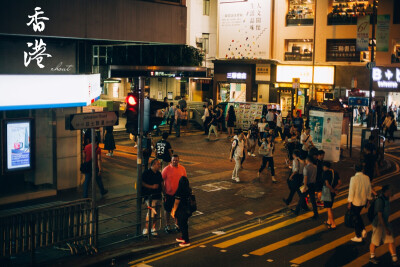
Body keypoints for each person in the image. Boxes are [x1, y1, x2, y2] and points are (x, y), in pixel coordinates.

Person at [369, 185, 398, 265]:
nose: (391, 192)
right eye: (390, 190)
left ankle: (394, 258)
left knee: (391, 240)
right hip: (378, 223)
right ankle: (372, 257)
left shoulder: (386, 198)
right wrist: (386, 229)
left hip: (385, 222)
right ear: (386, 191)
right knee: (375, 241)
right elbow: (379, 216)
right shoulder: (380, 201)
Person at [162, 154, 187, 233]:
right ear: (171, 161)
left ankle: (177, 224)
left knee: (178, 210)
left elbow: (185, 180)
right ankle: (167, 225)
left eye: (176, 160)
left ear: (178, 161)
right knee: (168, 210)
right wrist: (164, 192)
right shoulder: (166, 169)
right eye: (174, 160)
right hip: (169, 194)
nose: (175, 162)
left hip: (179, 195)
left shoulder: (182, 168)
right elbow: (161, 181)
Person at [347, 164, 373, 242]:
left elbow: (351, 191)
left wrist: (349, 202)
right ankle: (363, 230)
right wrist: (368, 200)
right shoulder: (367, 177)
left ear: (355, 169)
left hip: (356, 202)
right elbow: (369, 189)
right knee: (357, 216)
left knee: (356, 219)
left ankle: (358, 236)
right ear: (362, 169)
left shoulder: (353, 179)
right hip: (363, 201)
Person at [141, 159, 163, 236]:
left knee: (156, 213)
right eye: (158, 164)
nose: (159, 166)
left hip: (158, 196)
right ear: (153, 164)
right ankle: (146, 228)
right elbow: (141, 183)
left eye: (160, 164)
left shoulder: (159, 174)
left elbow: (161, 183)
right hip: (150, 196)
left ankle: (153, 228)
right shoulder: (146, 173)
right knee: (150, 213)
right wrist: (151, 186)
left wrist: (163, 192)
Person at [294, 156, 319, 220]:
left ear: (307, 160)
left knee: (302, 198)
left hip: (307, 185)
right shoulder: (315, 167)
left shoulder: (306, 168)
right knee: (313, 200)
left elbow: (305, 178)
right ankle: (316, 214)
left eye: (306, 161)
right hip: (313, 185)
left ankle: (296, 211)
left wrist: (305, 186)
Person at [171, 176, 192, 247]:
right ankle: (183, 237)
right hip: (187, 210)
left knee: (182, 225)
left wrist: (173, 211)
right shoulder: (189, 189)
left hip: (181, 210)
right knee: (184, 225)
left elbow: (176, 202)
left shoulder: (179, 191)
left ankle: (186, 241)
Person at [322, 161, 341, 229]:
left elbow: (327, 184)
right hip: (333, 192)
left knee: (329, 208)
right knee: (329, 207)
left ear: (325, 167)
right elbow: (339, 183)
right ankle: (329, 221)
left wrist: (331, 189)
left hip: (327, 191)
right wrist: (334, 189)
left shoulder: (325, 173)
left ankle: (333, 223)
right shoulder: (335, 172)